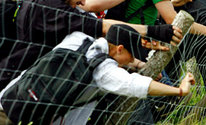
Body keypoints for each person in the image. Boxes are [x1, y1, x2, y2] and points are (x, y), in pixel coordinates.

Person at [0, 0, 181, 89]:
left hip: (22, 80)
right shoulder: (50, 7)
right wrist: (152, 31)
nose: (84, 2)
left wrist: (137, 64)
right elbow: (100, 27)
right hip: (13, 84)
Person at [0, 25, 194, 125]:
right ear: (119, 49)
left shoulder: (78, 38)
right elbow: (137, 84)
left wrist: (137, 62)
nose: (130, 59)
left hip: (10, 98)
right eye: (130, 55)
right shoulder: (104, 71)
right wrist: (179, 90)